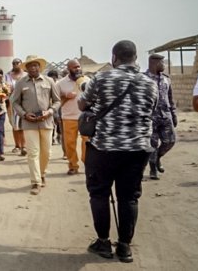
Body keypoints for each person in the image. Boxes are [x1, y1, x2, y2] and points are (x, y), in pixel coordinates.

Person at [79, 40, 157, 263]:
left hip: (104, 147)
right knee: (129, 197)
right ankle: (124, 247)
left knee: (99, 194)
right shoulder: (149, 83)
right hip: (137, 149)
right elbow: (151, 109)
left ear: (114, 57)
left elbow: (83, 105)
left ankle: (103, 242)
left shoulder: (102, 78)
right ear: (135, 57)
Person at [10, 55, 61, 195]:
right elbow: (14, 102)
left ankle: (42, 174)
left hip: (46, 122)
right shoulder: (21, 83)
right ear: (26, 68)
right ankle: (35, 182)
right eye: (30, 65)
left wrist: (50, 111)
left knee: (47, 152)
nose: (33, 68)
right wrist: (24, 114)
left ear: (40, 67)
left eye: (36, 65)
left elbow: (57, 101)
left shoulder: (49, 81)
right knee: (33, 153)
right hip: (29, 123)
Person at [145, 53, 178, 180]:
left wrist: (174, 114)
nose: (164, 65)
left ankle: (157, 157)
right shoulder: (143, 79)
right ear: (154, 63)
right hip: (150, 117)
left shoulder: (166, 79)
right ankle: (153, 169)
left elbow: (170, 98)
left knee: (170, 141)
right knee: (152, 143)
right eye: (162, 63)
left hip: (165, 115)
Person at [57, 59, 89, 175]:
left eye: (78, 66)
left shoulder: (87, 81)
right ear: (68, 69)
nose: (77, 69)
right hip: (68, 117)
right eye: (75, 67)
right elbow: (55, 101)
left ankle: (87, 163)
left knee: (87, 142)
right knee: (70, 143)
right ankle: (73, 165)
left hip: (85, 117)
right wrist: (66, 96)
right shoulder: (60, 83)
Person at [5, 58, 27, 156]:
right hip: (12, 103)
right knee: (14, 125)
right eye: (13, 63)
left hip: (24, 103)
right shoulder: (8, 75)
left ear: (21, 64)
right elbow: (5, 88)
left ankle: (24, 146)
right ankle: (17, 145)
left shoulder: (26, 75)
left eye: (17, 63)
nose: (15, 65)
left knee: (23, 125)